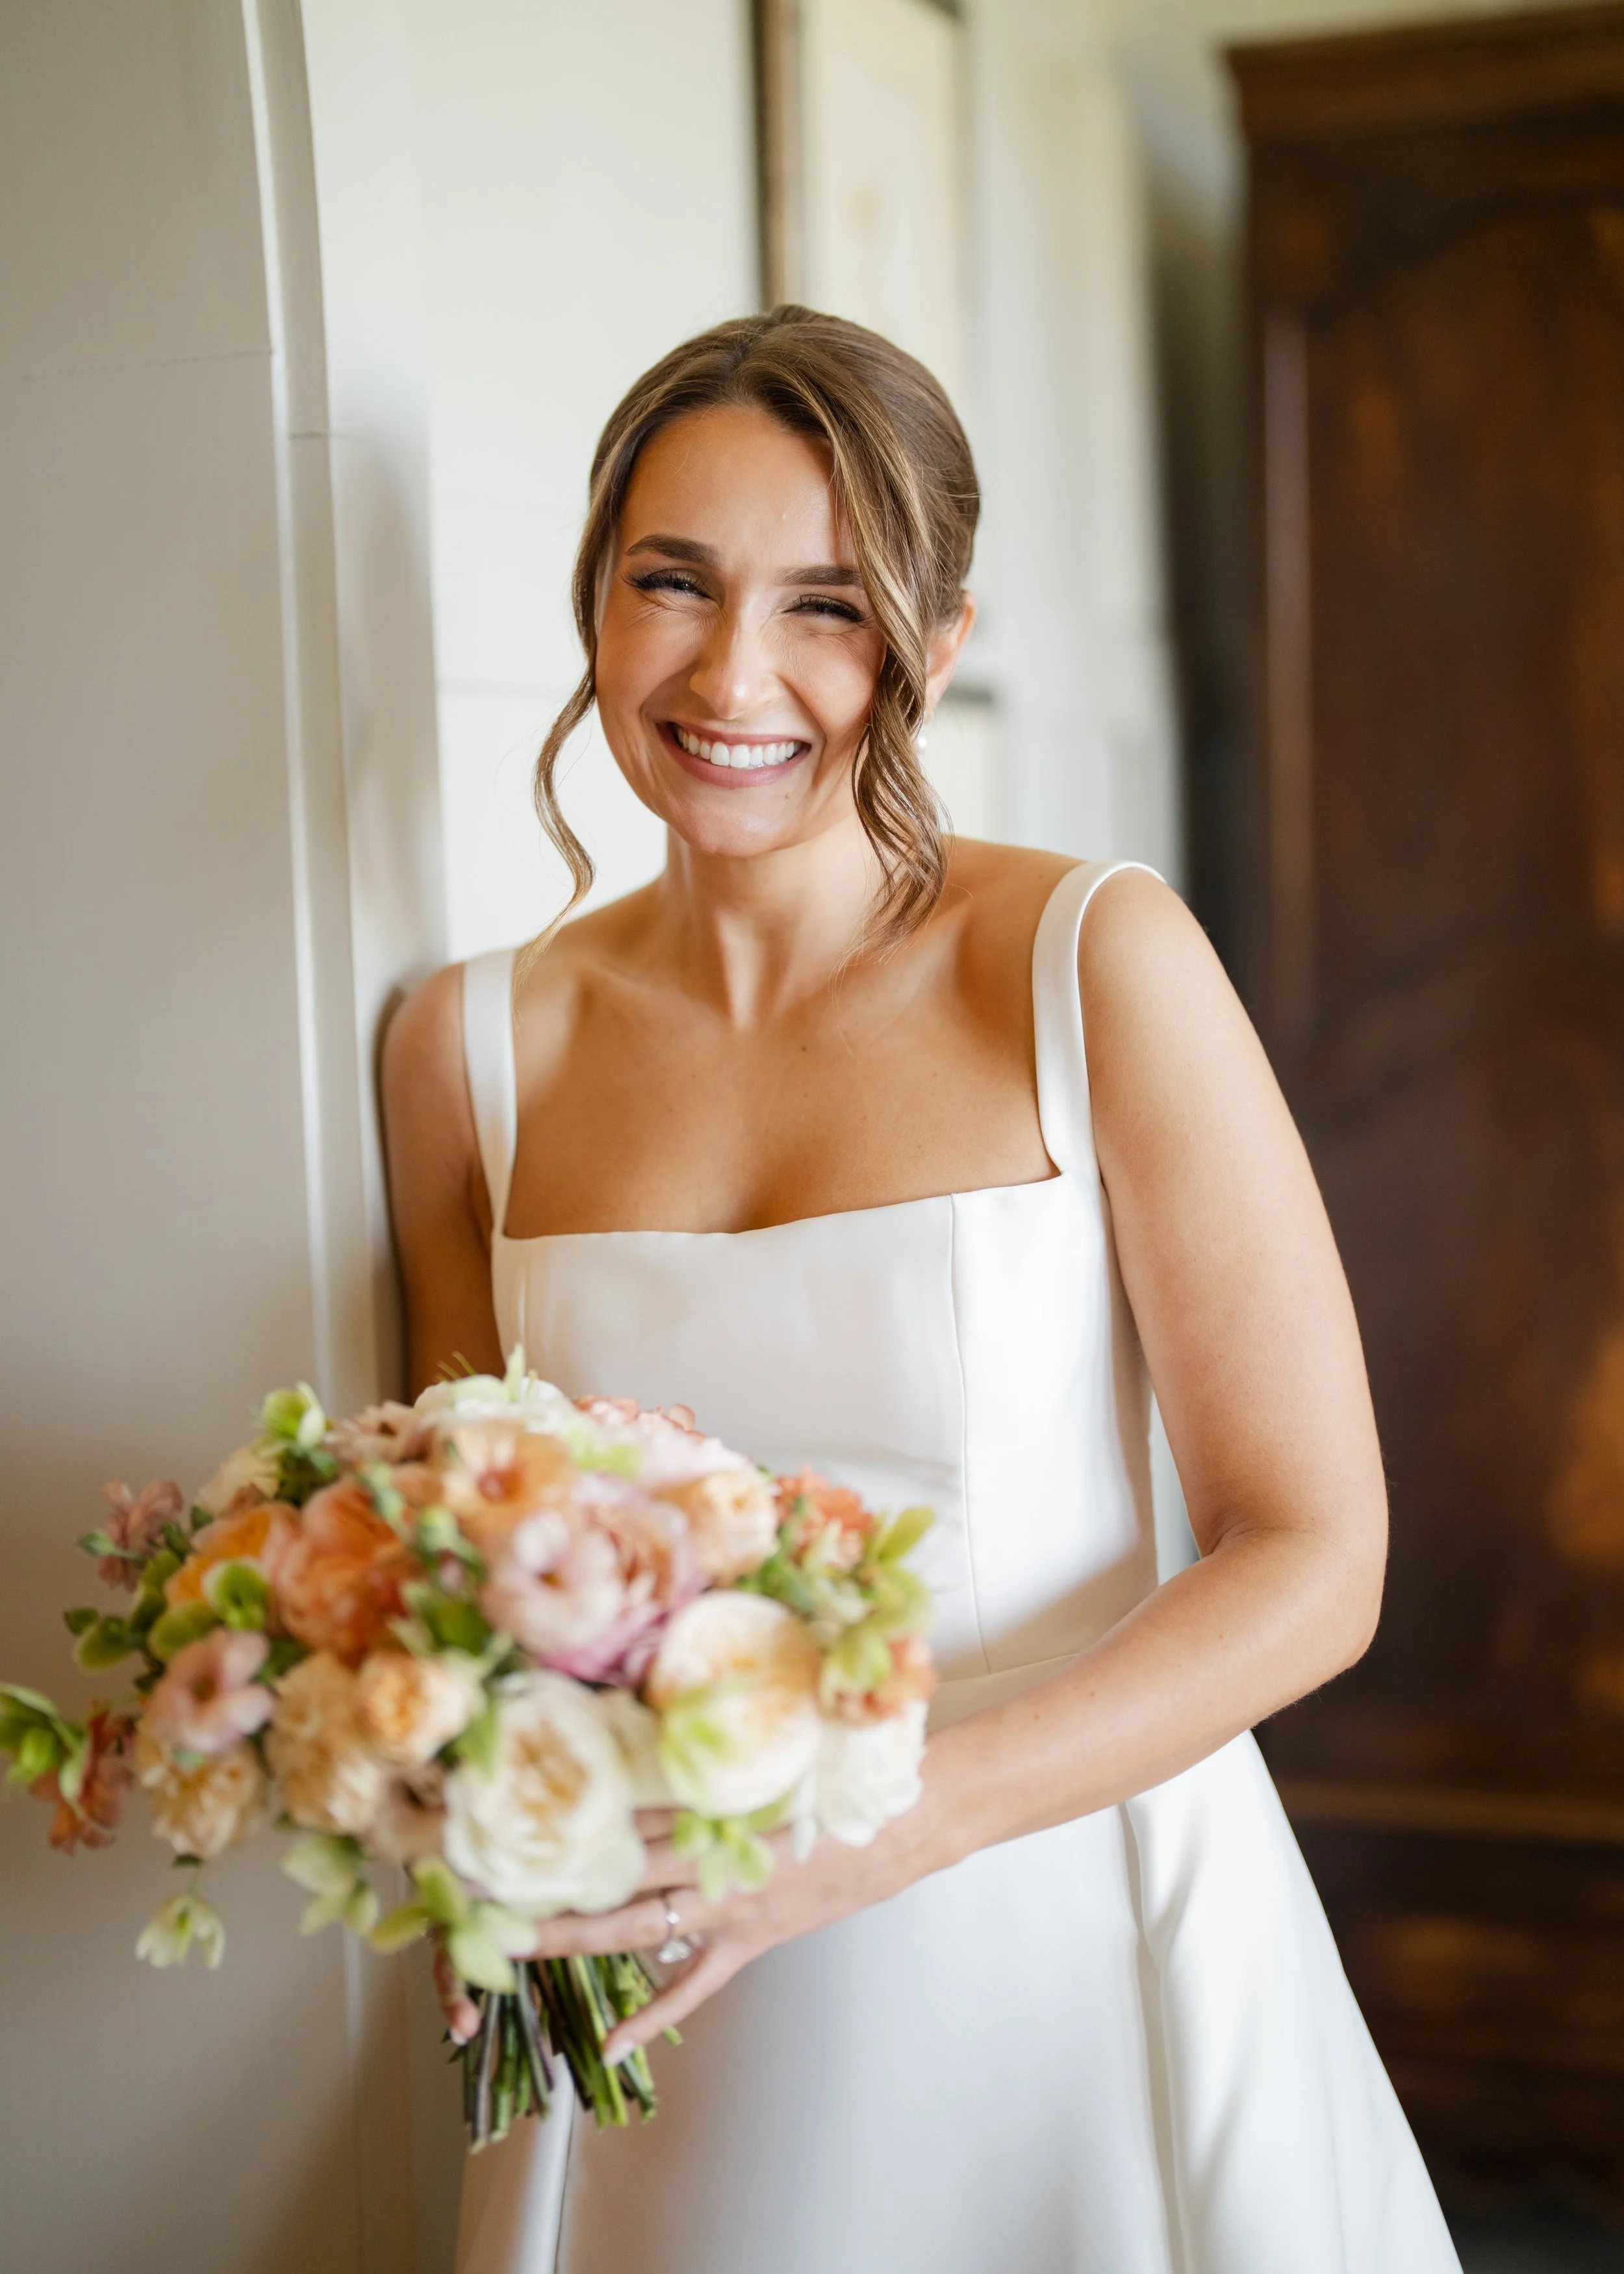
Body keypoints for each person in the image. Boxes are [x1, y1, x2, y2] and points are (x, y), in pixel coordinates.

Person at [382, 306, 1460, 2273]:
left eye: (828, 606)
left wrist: (880, 1828)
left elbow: (1314, 1549)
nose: (732, 675)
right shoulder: (461, 1054)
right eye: (671, 584)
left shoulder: (1088, 959)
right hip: (657, 2003)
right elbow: (464, 1584)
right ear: (593, 604)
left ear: (934, 648)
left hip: (1061, 1946)